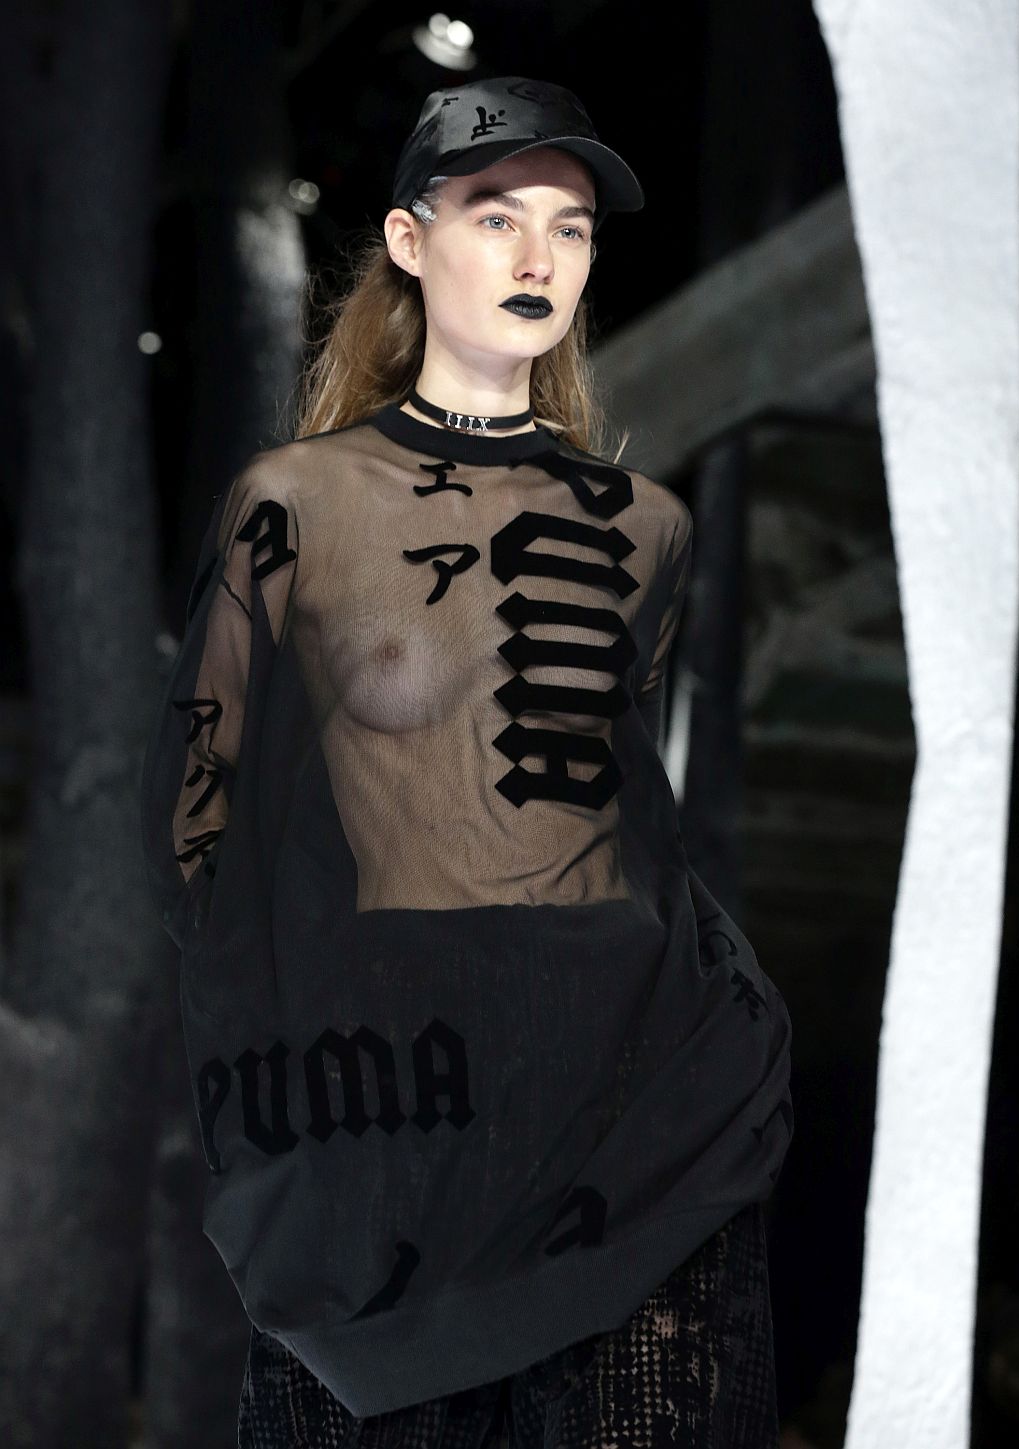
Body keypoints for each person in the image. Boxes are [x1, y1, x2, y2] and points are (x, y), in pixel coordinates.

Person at [140, 75, 794, 1448]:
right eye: (498, 215)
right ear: (408, 237)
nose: (539, 254)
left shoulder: (646, 526)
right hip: (383, 1156)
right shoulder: (294, 506)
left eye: (571, 226)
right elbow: (199, 833)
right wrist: (302, 1102)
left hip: (637, 1142)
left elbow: (626, 825)